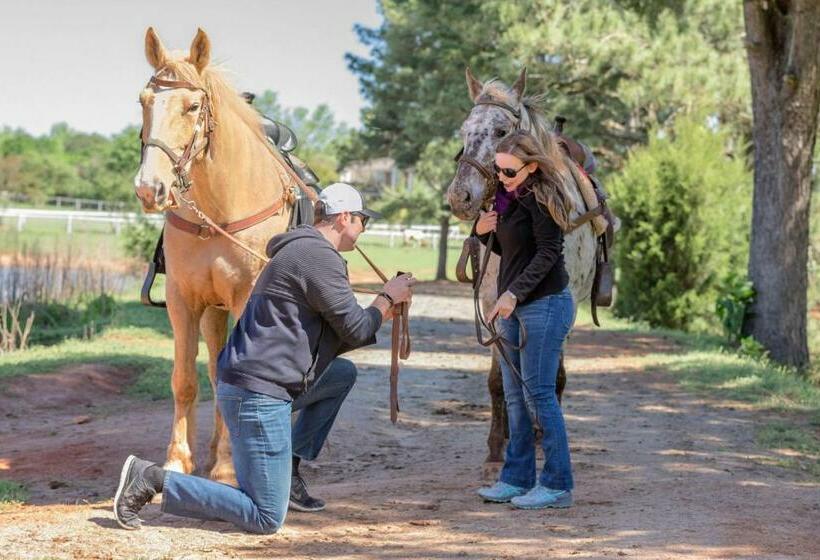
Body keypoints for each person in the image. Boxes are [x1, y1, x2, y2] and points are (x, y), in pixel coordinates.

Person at [114, 182, 416, 533]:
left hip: (253, 387)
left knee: (341, 374)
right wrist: (385, 299)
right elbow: (357, 328)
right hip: (258, 395)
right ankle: (152, 478)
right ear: (345, 218)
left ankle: (287, 464)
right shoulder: (319, 257)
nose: (364, 228)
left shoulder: (302, 251)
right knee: (266, 516)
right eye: (363, 220)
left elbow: (334, 337)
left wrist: (384, 312)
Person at [474, 130, 576, 509]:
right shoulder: (508, 197)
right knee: (515, 398)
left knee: (540, 396)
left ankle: (557, 484)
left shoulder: (543, 198)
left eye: (510, 171)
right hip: (514, 308)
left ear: (532, 166)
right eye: (498, 170)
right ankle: (516, 478)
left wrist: (512, 294)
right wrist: (484, 234)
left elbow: (548, 253)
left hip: (545, 304)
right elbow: (513, 251)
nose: (502, 177)